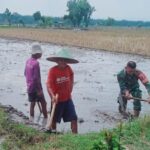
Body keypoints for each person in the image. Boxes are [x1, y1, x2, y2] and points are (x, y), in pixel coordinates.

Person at [46, 49, 78, 134]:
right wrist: (52, 96)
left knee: (74, 118)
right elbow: (48, 85)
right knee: (54, 119)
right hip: (57, 100)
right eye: (61, 60)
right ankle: (53, 132)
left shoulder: (68, 68)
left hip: (67, 99)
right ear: (57, 61)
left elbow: (71, 75)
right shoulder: (52, 71)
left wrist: (71, 87)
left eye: (65, 60)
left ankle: (75, 136)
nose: (63, 62)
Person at [24, 43, 47, 121]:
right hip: (36, 88)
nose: (41, 54)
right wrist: (39, 90)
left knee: (32, 104)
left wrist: (28, 83)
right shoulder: (36, 63)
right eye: (40, 53)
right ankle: (46, 120)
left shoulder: (28, 61)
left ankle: (31, 120)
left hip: (29, 87)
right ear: (37, 53)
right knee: (44, 103)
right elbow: (36, 78)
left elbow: (25, 73)